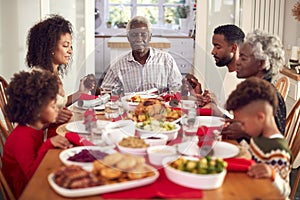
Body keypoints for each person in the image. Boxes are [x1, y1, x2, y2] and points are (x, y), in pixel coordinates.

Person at [2, 70, 73, 198]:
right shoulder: (22, 138)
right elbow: (32, 175)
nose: (57, 109)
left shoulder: (34, 127)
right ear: (36, 111)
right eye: (53, 106)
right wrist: (48, 144)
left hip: (33, 175)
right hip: (24, 190)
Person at [26, 14, 92, 136]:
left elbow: (59, 104)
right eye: (65, 45)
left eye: (71, 46)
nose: (70, 51)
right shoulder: (38, 78)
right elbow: (29, 123)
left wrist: (80, 93)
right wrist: (53, 117)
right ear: (50, 46)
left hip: (57, 132)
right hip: (43, 142)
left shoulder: (52, 72)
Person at [225, 77, 291, 198]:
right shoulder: (258, 136)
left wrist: (272, 175)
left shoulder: (278, 150)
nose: (242, 129)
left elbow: (285, 192)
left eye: (243, 124)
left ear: (260, 117)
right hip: (253, 188)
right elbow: (252, 155)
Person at [222, 29, 287, 139]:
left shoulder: (269, 97)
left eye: (243, 58)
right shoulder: (252, 90)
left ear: (261, 63)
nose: (237, 62)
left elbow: (275, 140)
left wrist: (244, 132)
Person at [100, 16, 182, 94]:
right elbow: (105, 92)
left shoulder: (166, 59)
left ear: (150, 37)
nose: (139, 39)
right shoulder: (119, 66)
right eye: (134, 35)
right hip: (131, 108)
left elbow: (177, 88)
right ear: (128, 38)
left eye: (143, 35)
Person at [182, 24, 245, 110]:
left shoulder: (242, 81)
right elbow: (226, 109)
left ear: (233, 48)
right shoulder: (230, 74)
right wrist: (203, 97)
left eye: (218, 47)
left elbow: (235, 118)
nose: (213, 52)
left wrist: (214, 106)